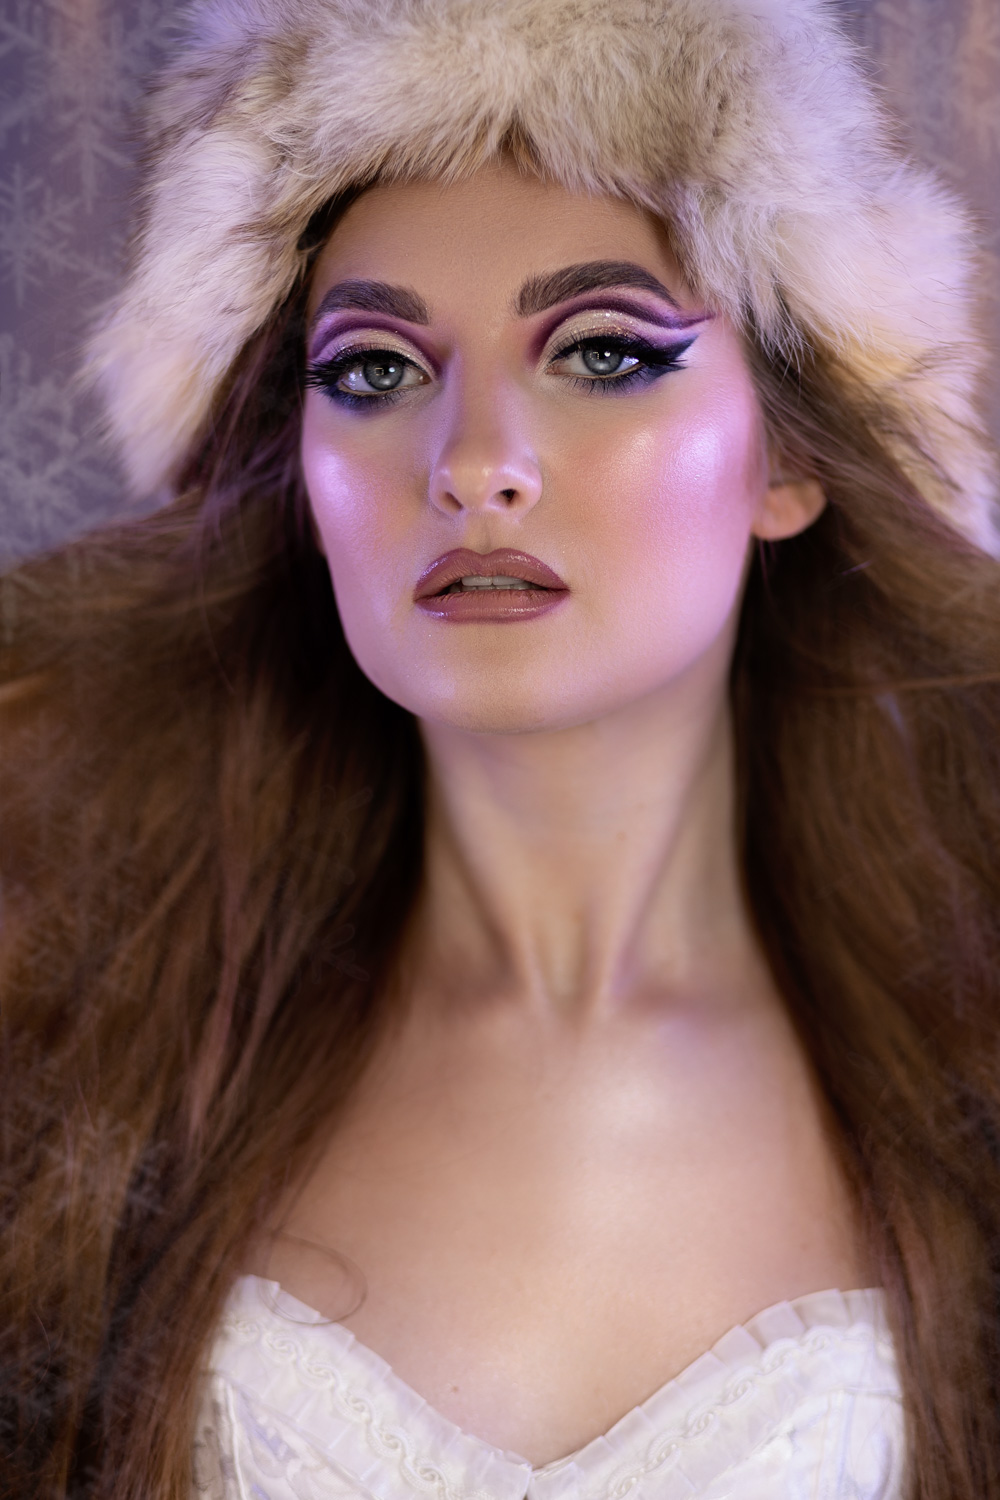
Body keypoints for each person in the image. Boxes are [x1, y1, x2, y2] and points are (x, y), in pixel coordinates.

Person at [2, 0, 999, 1495]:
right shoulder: (77, 1042)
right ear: (301, 478)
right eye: (375, 372)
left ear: (787, 459)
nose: (475, 465)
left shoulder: (969, 1065)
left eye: (600, 352)